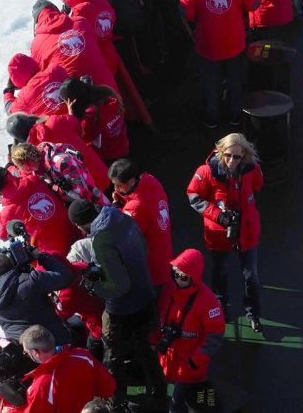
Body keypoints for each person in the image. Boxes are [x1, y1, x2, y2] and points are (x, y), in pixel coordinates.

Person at [66, 200, 167, 409]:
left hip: (120, 309)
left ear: (81, 224)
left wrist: (93, 285)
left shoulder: (101, 242)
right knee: (145, 349)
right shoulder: (122, 218)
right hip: (145, 295)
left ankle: (114, 402)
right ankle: (159, 393)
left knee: (113, 358)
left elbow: (117, 287)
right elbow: (144, 248)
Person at [180, 0, 262, 128]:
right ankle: (235, 117)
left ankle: (212, 118)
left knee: (210, 84)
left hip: (207, 44)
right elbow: (255, 3)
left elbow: (187, 14)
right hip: (235, 42)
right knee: (235, 82)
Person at [186, 133, 265, 330]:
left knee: (251, 276)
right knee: (220, 271)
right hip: (218, 231)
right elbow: (193, 195)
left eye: (237, 157)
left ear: (245, 155)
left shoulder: (252, 169)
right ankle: (221, 304)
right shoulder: (206, 172)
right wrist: (218, 215)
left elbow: (257, 185)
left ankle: (253, 313)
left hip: (246, 230)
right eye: (228, 155)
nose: (232, 160)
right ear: (221, 152)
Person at [152, 249, 226, 413]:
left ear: (194, 278)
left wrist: (195, 360)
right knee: (165, 394)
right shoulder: (170, 289)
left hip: (188, 364)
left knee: (178, 402)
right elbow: (162, 315)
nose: (178, 279)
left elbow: (215, 335)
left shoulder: (208, 302)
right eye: (175, 274)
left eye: (183, 277)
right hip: (168, 357)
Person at [0, 233, 76, 347]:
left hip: (24, 350)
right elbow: (65, 277)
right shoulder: (31, 280)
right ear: (12, 263)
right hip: (53, 343)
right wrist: (42, 257)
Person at [0, 148, 82, 260]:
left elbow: (2, 234)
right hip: (76, 233)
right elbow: (22, 172)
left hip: (56, 256)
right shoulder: (34, 179)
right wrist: (10, 167)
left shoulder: (8, 212)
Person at [19, 324, 117, 413]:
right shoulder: (82, 355)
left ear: (35, 353)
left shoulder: (41, 385)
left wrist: (10, 409)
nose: (27, 355)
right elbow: (108, 388)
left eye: (26, 353)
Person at [109, 159, 173, 293]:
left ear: (132, 182)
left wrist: (115, 208)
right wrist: (123, 196)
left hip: (150, 269)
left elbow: (121, 235)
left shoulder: (135, 208)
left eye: (119, 186)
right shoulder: (150, 180)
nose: (116, 189)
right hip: (164, 257)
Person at [57, 77, 129, 165]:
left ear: (73, 102)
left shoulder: (90, 115)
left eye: (64, 102)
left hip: (110, 157)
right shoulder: (105, 93)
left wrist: (71, 116)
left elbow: (81, 137)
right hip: (123, 144)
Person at [5, 53, 71, 117]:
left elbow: (12, 114)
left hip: (61, 126)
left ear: (16, 80)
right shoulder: (56, 69)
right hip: (77, 115)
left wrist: (8, 91)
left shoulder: (24, 97)